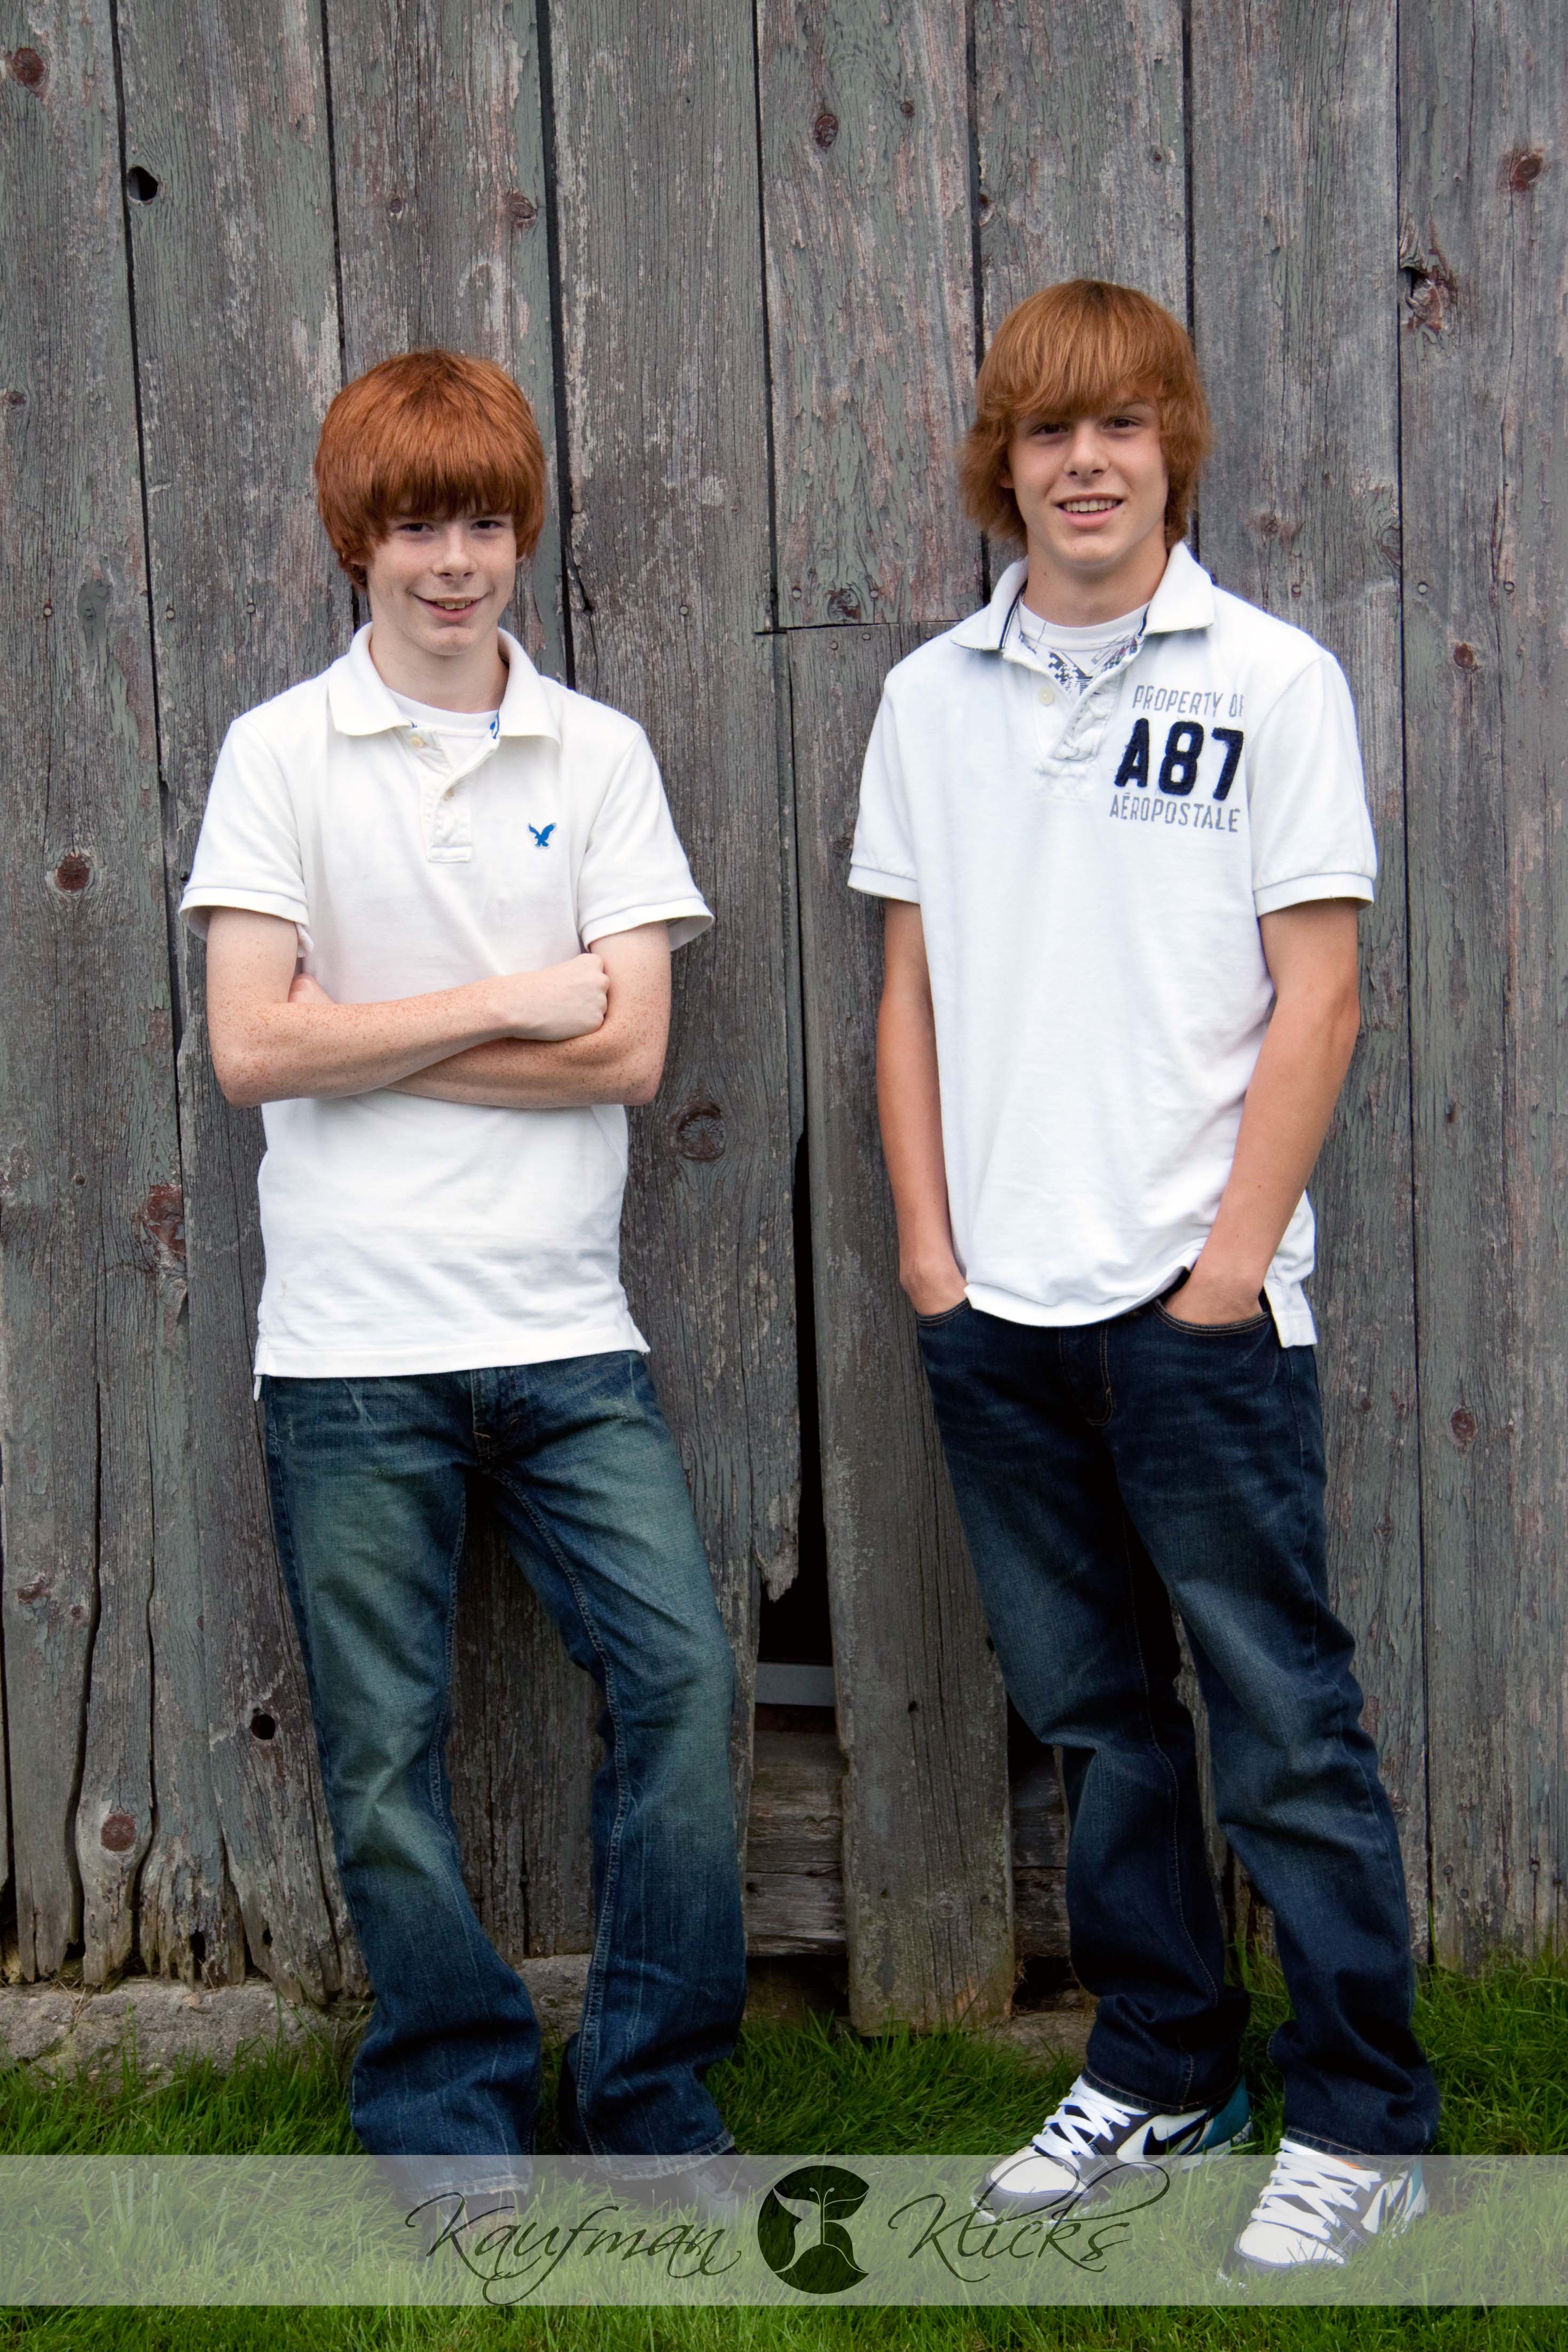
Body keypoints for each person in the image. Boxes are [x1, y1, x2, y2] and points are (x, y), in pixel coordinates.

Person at [851, 279, 1438, 2276]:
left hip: (1200, 1309)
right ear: (1001, 464)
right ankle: (1170, 2062)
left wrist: (1223, 1272)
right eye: (1047, 430)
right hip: (998, 1312)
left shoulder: (1272, 680)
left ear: (1173, 445)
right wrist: (934, 1257)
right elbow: (910, 992)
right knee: (1099, 1716)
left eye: (1119, 425)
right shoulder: (933, 700)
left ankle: (1363, 2114)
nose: (1085, 462)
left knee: (1282, 1720)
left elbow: (1320, 995)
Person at [179, 349, 744, 2196]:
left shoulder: (599, 756)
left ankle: (647, 2104)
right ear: (358, 536)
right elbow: (251, 1047)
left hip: (568, 1335)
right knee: (381, 1753)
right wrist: (515, 995)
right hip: (349, 1349)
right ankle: (447, 2119)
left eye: (485, 523)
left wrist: (364, 1031)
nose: (453, 562)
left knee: (679, 1685)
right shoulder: (279, 753)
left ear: (521, 537)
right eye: (418, 524)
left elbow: (631, 1052)